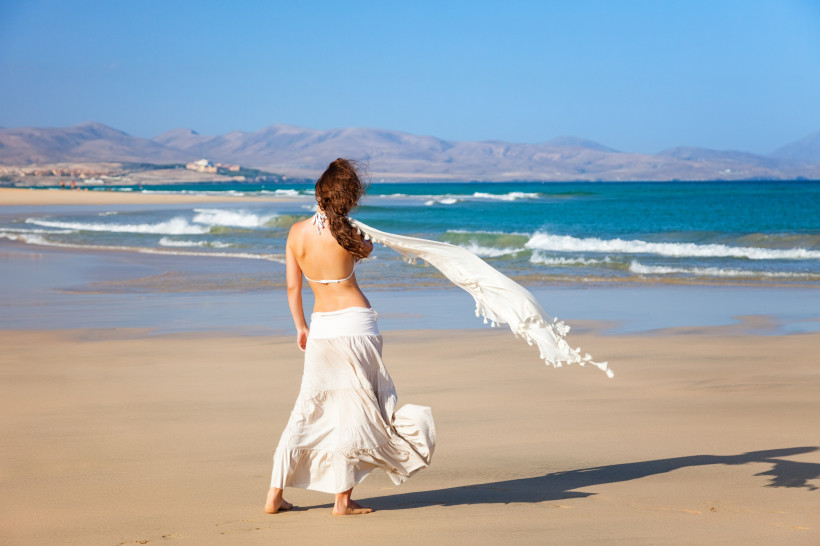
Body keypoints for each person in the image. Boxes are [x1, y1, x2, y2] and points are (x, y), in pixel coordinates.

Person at [265, 158, 435, 516]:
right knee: (357, 413)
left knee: (307, 411)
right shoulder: (352, 233)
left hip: (322, 328)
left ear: (319, 193)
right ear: (349, 197)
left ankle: (275, 494)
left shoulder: (296, 232)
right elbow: (368, 251)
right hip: (357, 326)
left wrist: (300, 327)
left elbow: (293, 288)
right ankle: (342, 501)